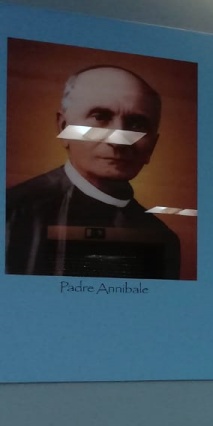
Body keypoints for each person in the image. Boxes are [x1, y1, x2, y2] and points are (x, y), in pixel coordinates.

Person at [6, 65, 181, 279]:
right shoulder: (11, 214)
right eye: (100, 117)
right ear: (64, 129)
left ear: (152, 146)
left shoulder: (164, 239)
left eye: (136, 124)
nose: (118, 140)